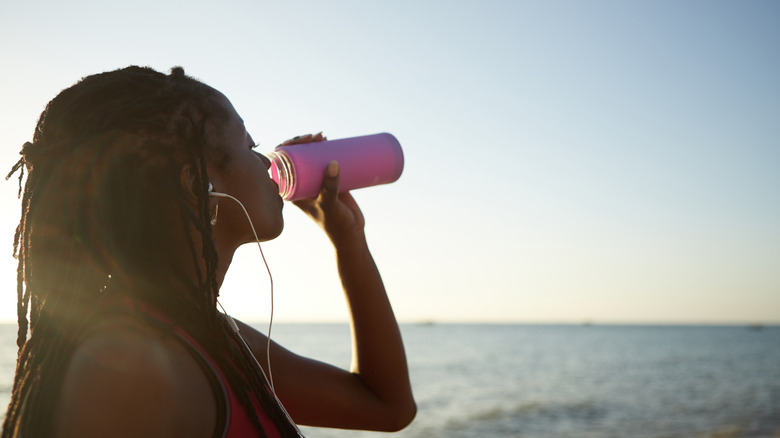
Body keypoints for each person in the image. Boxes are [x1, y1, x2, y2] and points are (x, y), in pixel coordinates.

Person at [2, 66, 416, 437]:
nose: (267, 163)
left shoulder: (212, 336)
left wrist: (349, 239)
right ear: (199, 186)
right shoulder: (130, 366)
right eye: (250, 147)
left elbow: (386, 407)